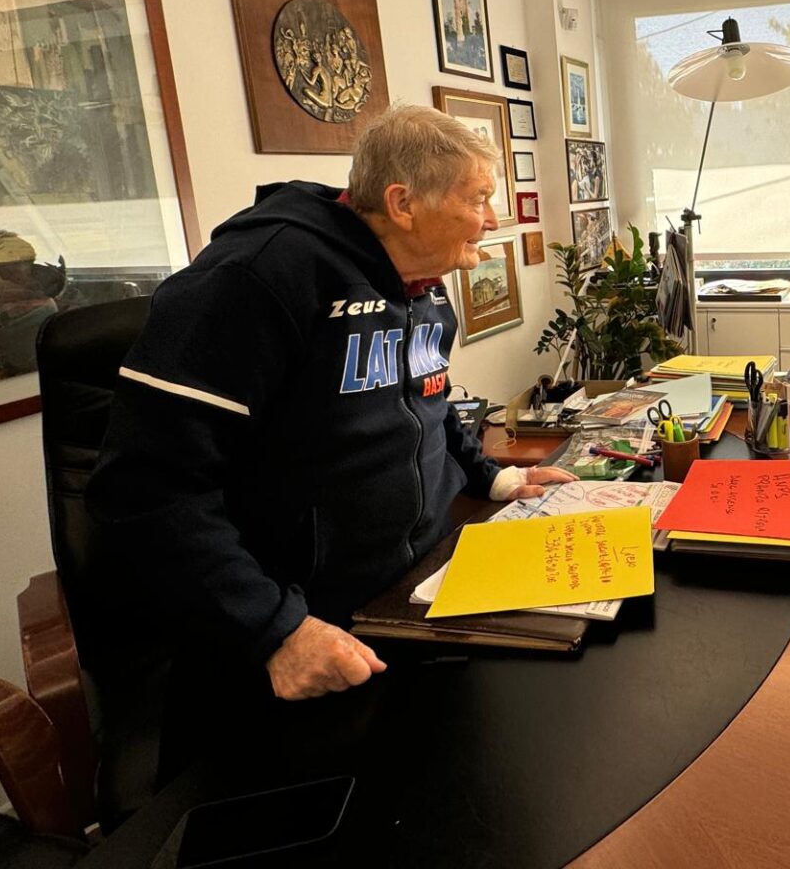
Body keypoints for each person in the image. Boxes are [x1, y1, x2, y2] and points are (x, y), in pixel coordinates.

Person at [87, 107, 575, 749]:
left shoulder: (423, 283)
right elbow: (145, 491)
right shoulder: (254, 278)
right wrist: (276, 630)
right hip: (285, 636)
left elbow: (429, 397)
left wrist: (495, 476)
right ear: (403, 203)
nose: (491, 218)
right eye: (478, 198)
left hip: (405, 596)